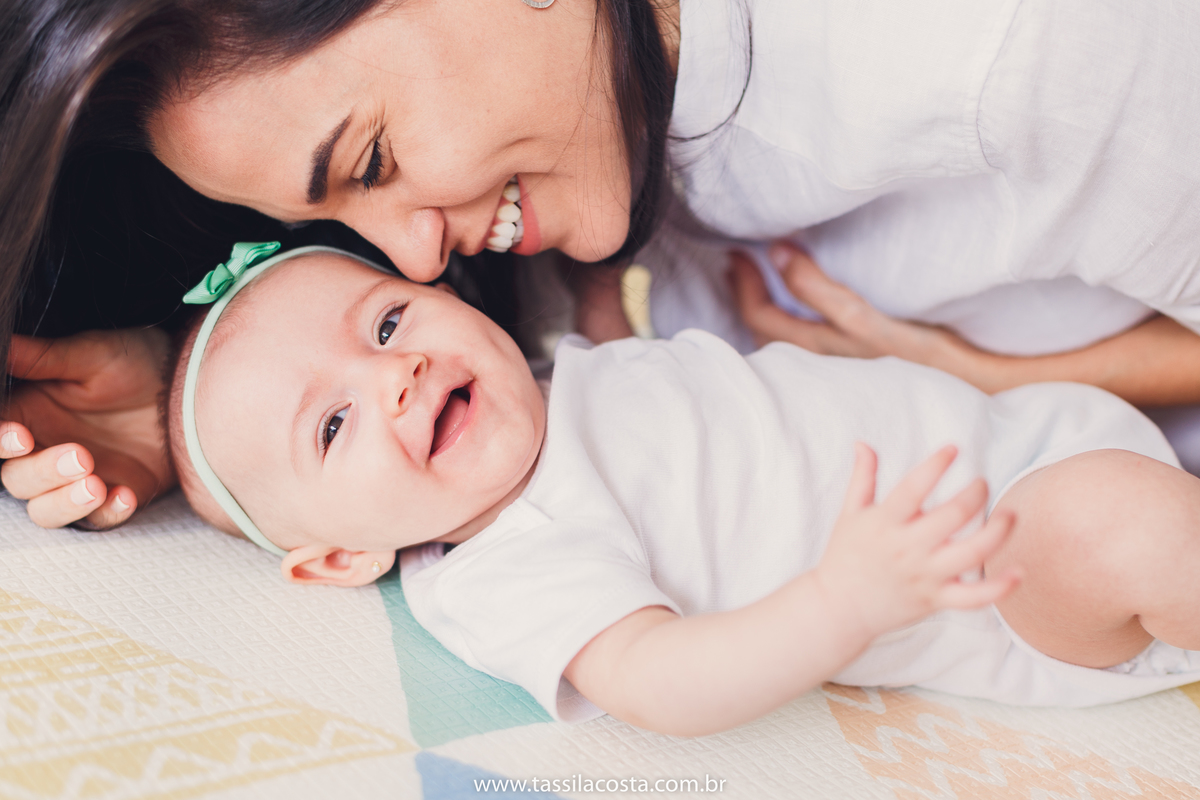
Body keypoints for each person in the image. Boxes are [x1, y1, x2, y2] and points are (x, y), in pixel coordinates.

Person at [5, 0, 1200, 530]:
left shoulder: (1018, 46)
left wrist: (971, 376)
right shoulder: (594, 108)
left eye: (371, 159)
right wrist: (202, 411)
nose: (412, 253)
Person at [163, 242, 1200, 736]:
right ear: (342, 557)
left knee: (1136, 508)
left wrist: (601, 305)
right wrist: (843, 601)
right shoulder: (508, 561)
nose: (396, 373)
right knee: (1129, 528)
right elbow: (655, 680)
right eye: (333, 425)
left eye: (388, 321)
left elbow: (652, 406)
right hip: (1003, 569)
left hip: (1031, 434)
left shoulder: (543, 385)